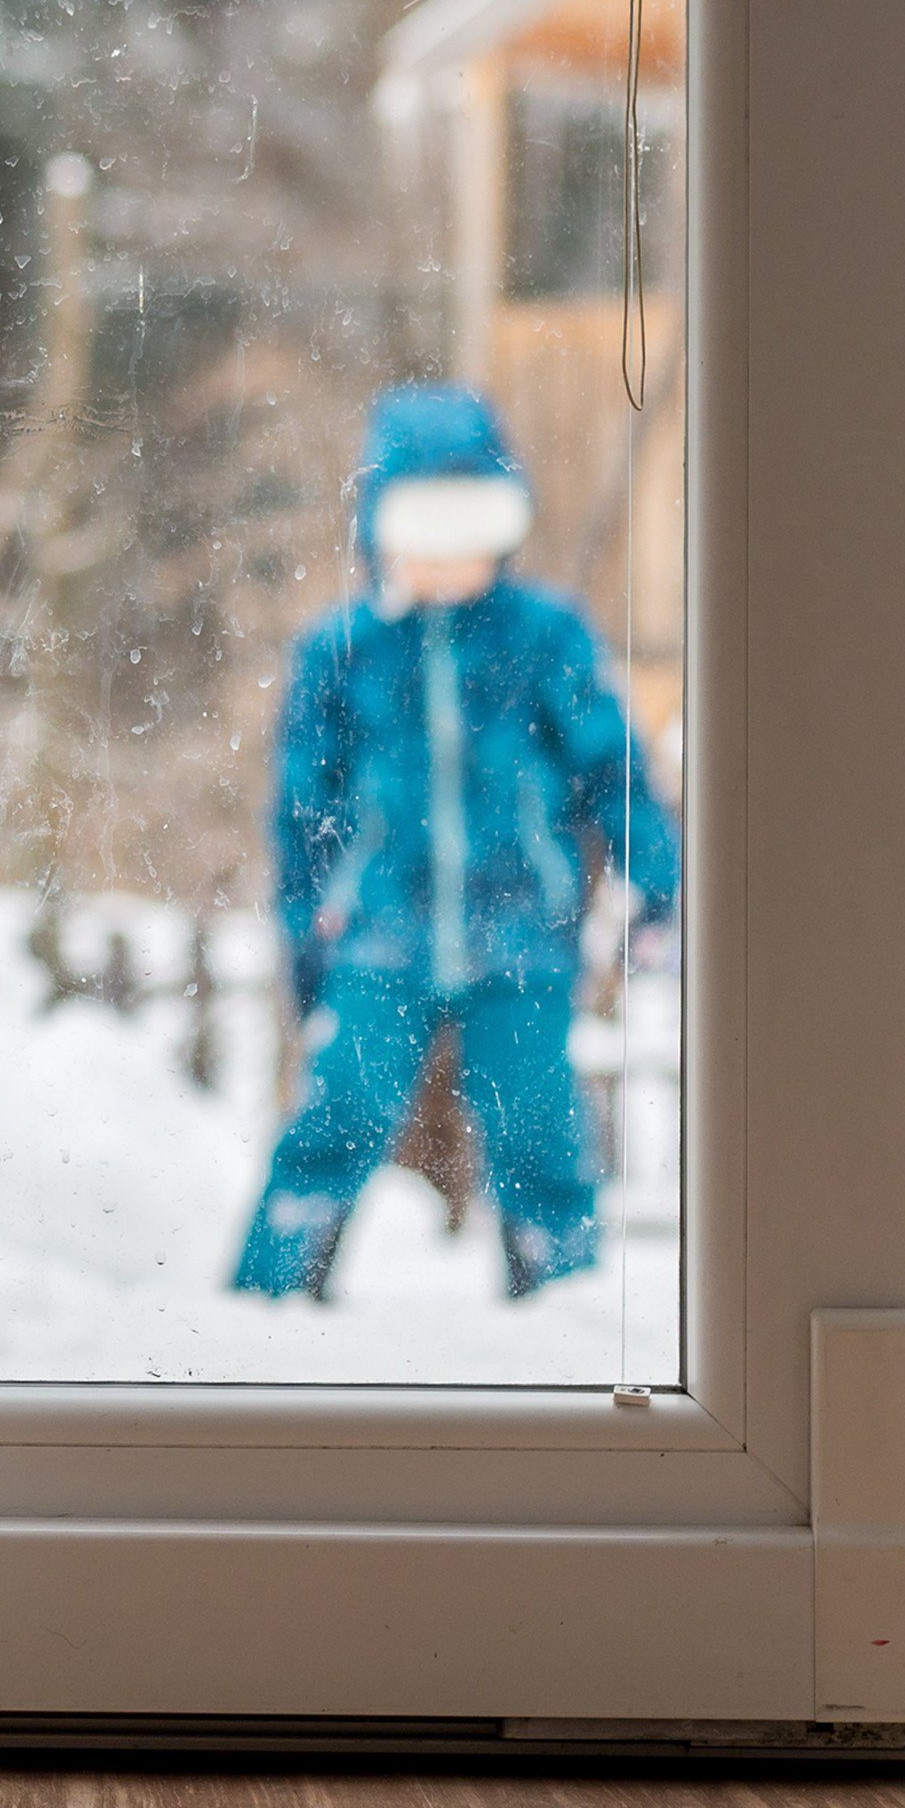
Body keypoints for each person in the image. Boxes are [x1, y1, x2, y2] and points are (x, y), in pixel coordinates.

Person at [233, 383, 678, 1305]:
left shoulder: (544, 638)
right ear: (379, 531)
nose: (448, 557)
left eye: (467, 527)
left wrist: (657, 883)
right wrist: (306, 944)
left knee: (539, 1137)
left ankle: (561, 1312)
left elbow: (613, 768)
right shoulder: (342, 652)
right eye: (422, 530)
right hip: (380, 940)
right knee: (335, 1121)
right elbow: (303, 815)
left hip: (523, 938)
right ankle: (264, 1313)